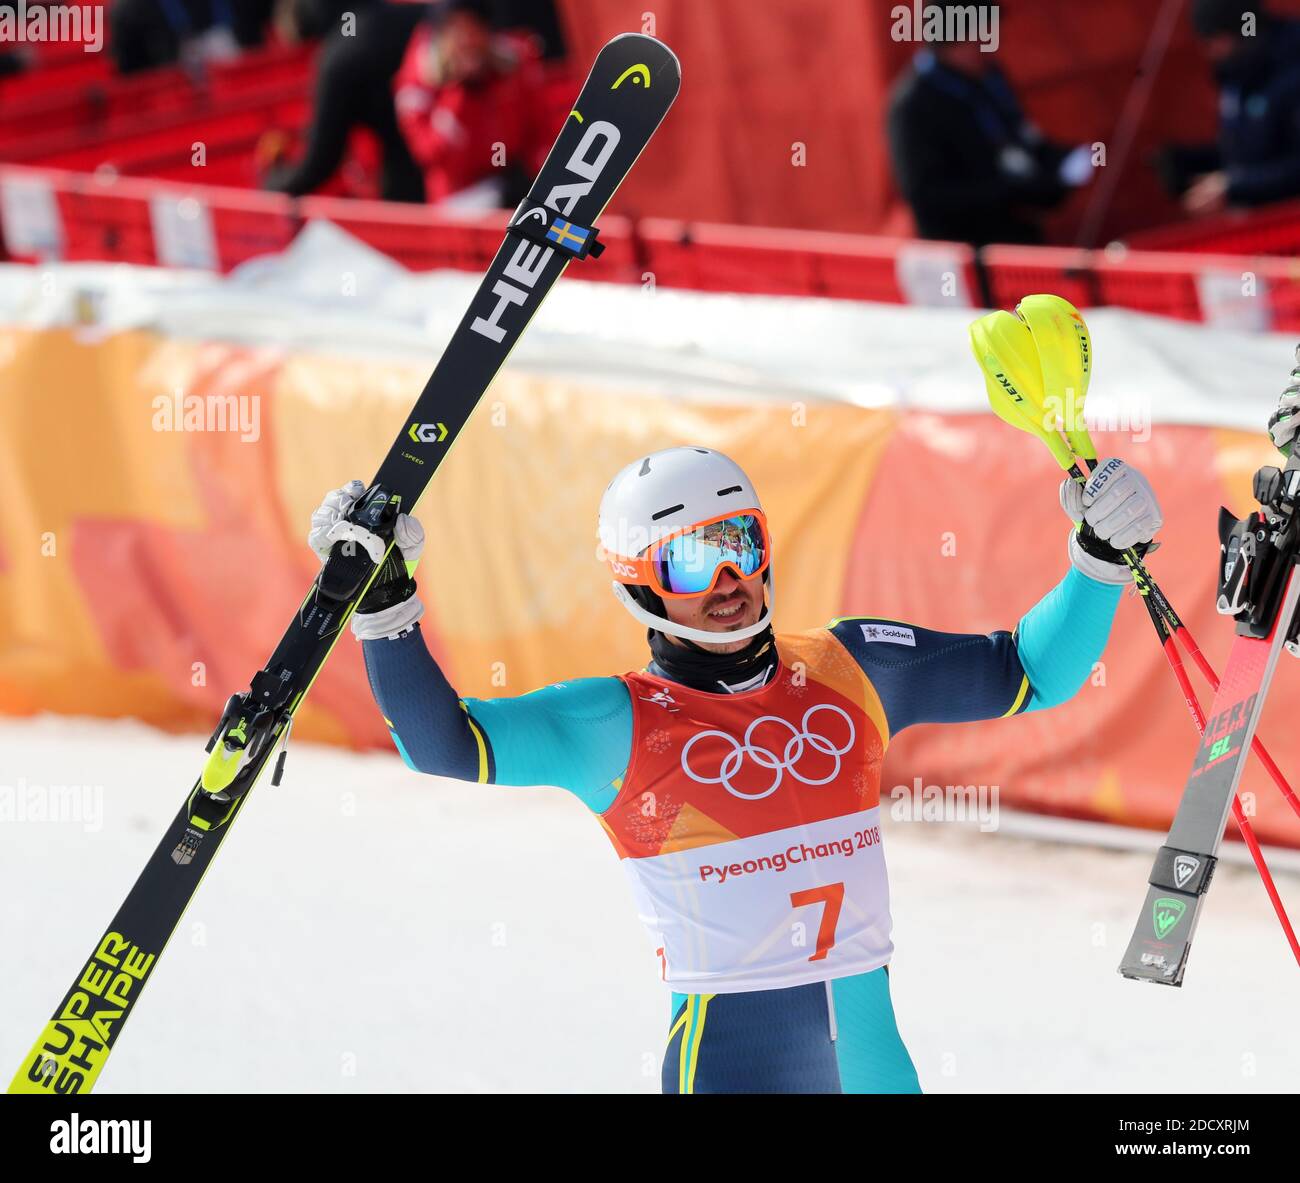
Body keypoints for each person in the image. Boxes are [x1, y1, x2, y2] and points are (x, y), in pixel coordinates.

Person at [305, 440, 1163, 1094]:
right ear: (637, 581)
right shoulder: (615, 720)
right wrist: (385, 605)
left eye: (740, 543)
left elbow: (1032, 672)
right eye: (689, 558)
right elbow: (444, 743)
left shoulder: (852, 666)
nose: (728, 579)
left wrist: (1094, 556)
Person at [886, 24, 1093, 245]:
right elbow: (927, 196)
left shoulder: (990, 76)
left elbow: (1022, 136)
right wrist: (1011, 191)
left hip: (1020, 240)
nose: (990, 47)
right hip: (965, 256)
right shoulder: (912, 105)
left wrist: (1059, 165)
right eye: (981, 39)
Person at [261, 0, 427, 203]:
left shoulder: (338, 59)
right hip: (461, 177)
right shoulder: (418, 16)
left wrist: (274, 183)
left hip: (418, 193)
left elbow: (319, 163)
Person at [392, 0, 550, 206]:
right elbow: (427, 152)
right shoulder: (419, 82)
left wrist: (546, 186)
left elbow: (540, 132)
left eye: (473, 27)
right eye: (456, 29)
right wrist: (457, 93)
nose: (466, 39)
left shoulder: (513, 64)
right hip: (459, 198)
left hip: (514, 182)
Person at [1157, 0, 1300, 215]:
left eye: (1215, 40)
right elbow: (1254, 150)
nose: (1211, 52)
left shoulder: (1290, 75)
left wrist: (1234, 187)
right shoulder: (1240, 76)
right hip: (1260, 225)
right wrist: (1192, 162)